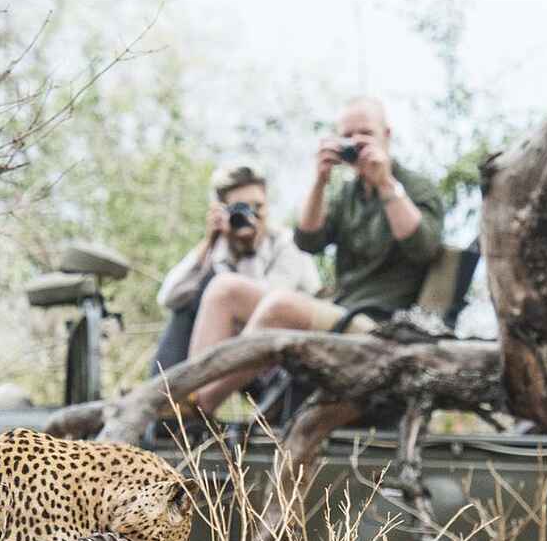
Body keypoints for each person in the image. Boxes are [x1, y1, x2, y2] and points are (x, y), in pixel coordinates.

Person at [189, 97, 445, 414]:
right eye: (347, 136)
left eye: (365, 133)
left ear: (387, 135)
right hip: (339, 312)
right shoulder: (348, 194)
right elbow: (308, 240)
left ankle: (198, 407)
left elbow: (424, 248)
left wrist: (386, 184)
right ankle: (187, 393)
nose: (356, 143)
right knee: (224, 288)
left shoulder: (415, 187)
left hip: (382, 328)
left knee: (280, 306)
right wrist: (320, 181)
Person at [150, 162, 322, 377]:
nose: (251, 216)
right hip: (238, 352)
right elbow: (168, 297)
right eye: (240, 209)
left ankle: (196, 393)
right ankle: (167, 401)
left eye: (258, 207)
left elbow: (269, 311)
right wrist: (208, 243)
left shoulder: (288, 245)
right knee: (188, 302)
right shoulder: (220, 248)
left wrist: (248, 249)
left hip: (287, 354)